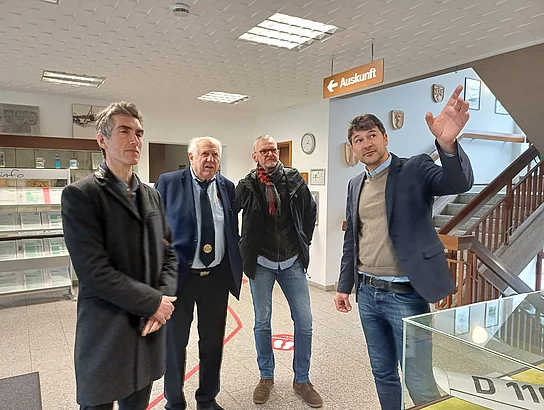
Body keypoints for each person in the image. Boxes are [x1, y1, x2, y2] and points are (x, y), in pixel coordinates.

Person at [334, 85, 474, 410]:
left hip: (406, 295)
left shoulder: (414, 169)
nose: (366, 143)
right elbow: (352, 237)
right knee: (382, 373)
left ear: (385, 138)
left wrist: (447, 144)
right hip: (367, 294)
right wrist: (344, 285)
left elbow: (457, 183)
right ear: (353, 148)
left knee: (419, 380)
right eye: (358, 140)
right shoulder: (355, 184)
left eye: (372, 135)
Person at [61, 102, 178, 410]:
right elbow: (94, 272)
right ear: (102, 140)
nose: (135, 140)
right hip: (107, 330)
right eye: (124, 131)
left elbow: (169, 253)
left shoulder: (152, 195)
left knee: (137, 404)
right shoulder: (82, 195)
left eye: (139, 133)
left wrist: (162, 301)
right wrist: (153, 303)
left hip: (147, 328)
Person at [155, 137, 243, 410]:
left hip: (215, 279)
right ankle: (174, 402)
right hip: (179, 280)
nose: (210, 160)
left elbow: (231, 230)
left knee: (213, 343)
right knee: (174, 344)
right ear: (191, 157)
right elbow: (155, 230)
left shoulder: (227, 187)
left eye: (215, 155)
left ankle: (207, 399)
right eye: (205, 154)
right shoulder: (169, 183)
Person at [236, 135, 322, 408]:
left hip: (292, 262)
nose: (270, 154)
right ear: (255, 156)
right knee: (262, 322)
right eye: (264, 151)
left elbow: (310, 211)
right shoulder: (247, 185)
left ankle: (302, 379)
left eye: (273, 149)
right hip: (261, 263)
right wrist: (240, 249)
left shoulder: (294, 180)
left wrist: (304, 241)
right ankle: (266, 377)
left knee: (304, 321)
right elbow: (229, 214)